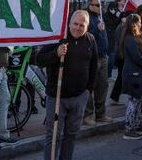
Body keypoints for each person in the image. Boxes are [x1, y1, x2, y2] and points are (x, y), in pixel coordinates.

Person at [36, 10, 98, 160]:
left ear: (87, 26)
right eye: (75, 24)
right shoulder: (58, 37)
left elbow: (94, 66)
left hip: (79, 97)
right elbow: (39, 60)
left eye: (81, 25)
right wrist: (56, 54)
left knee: (71, 135)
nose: (77, 28)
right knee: (53, 136)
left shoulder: (90, 40)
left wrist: (88, 91)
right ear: (69, 23)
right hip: (57, 97)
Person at [120, 14, 142, 139]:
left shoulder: (134, 37)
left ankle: (136, 124)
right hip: (133, 74)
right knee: (133, 101)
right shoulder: (129, 38)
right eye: (138, 22)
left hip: (138, 73)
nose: (140, 24)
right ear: (134, 23)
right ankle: (128, 128)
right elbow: (136, 57)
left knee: (138, 101)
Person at [84, 0, 111, 125]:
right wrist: (97, 29)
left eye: (100, 5)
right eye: (96, 5)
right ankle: (88, 114)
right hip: (92, 58)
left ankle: (101, 113)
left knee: (103, 85)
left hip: (103, 55)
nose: (99, 7)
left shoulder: (99, 17)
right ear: (89, 5)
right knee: (90, 86)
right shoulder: (86, 18)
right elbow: (86, 36)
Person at [104, 0, 124, 78]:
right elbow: (110, 25)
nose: (113, 10)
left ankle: (109, 74)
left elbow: (118, 23)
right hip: (108, 38)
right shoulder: (105, 16)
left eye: (114, 9)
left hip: (115, 38)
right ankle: (108, 74)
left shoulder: (116, 15)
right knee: (110, 57)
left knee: (112, 57)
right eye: (112, 9)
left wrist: (118, 16)